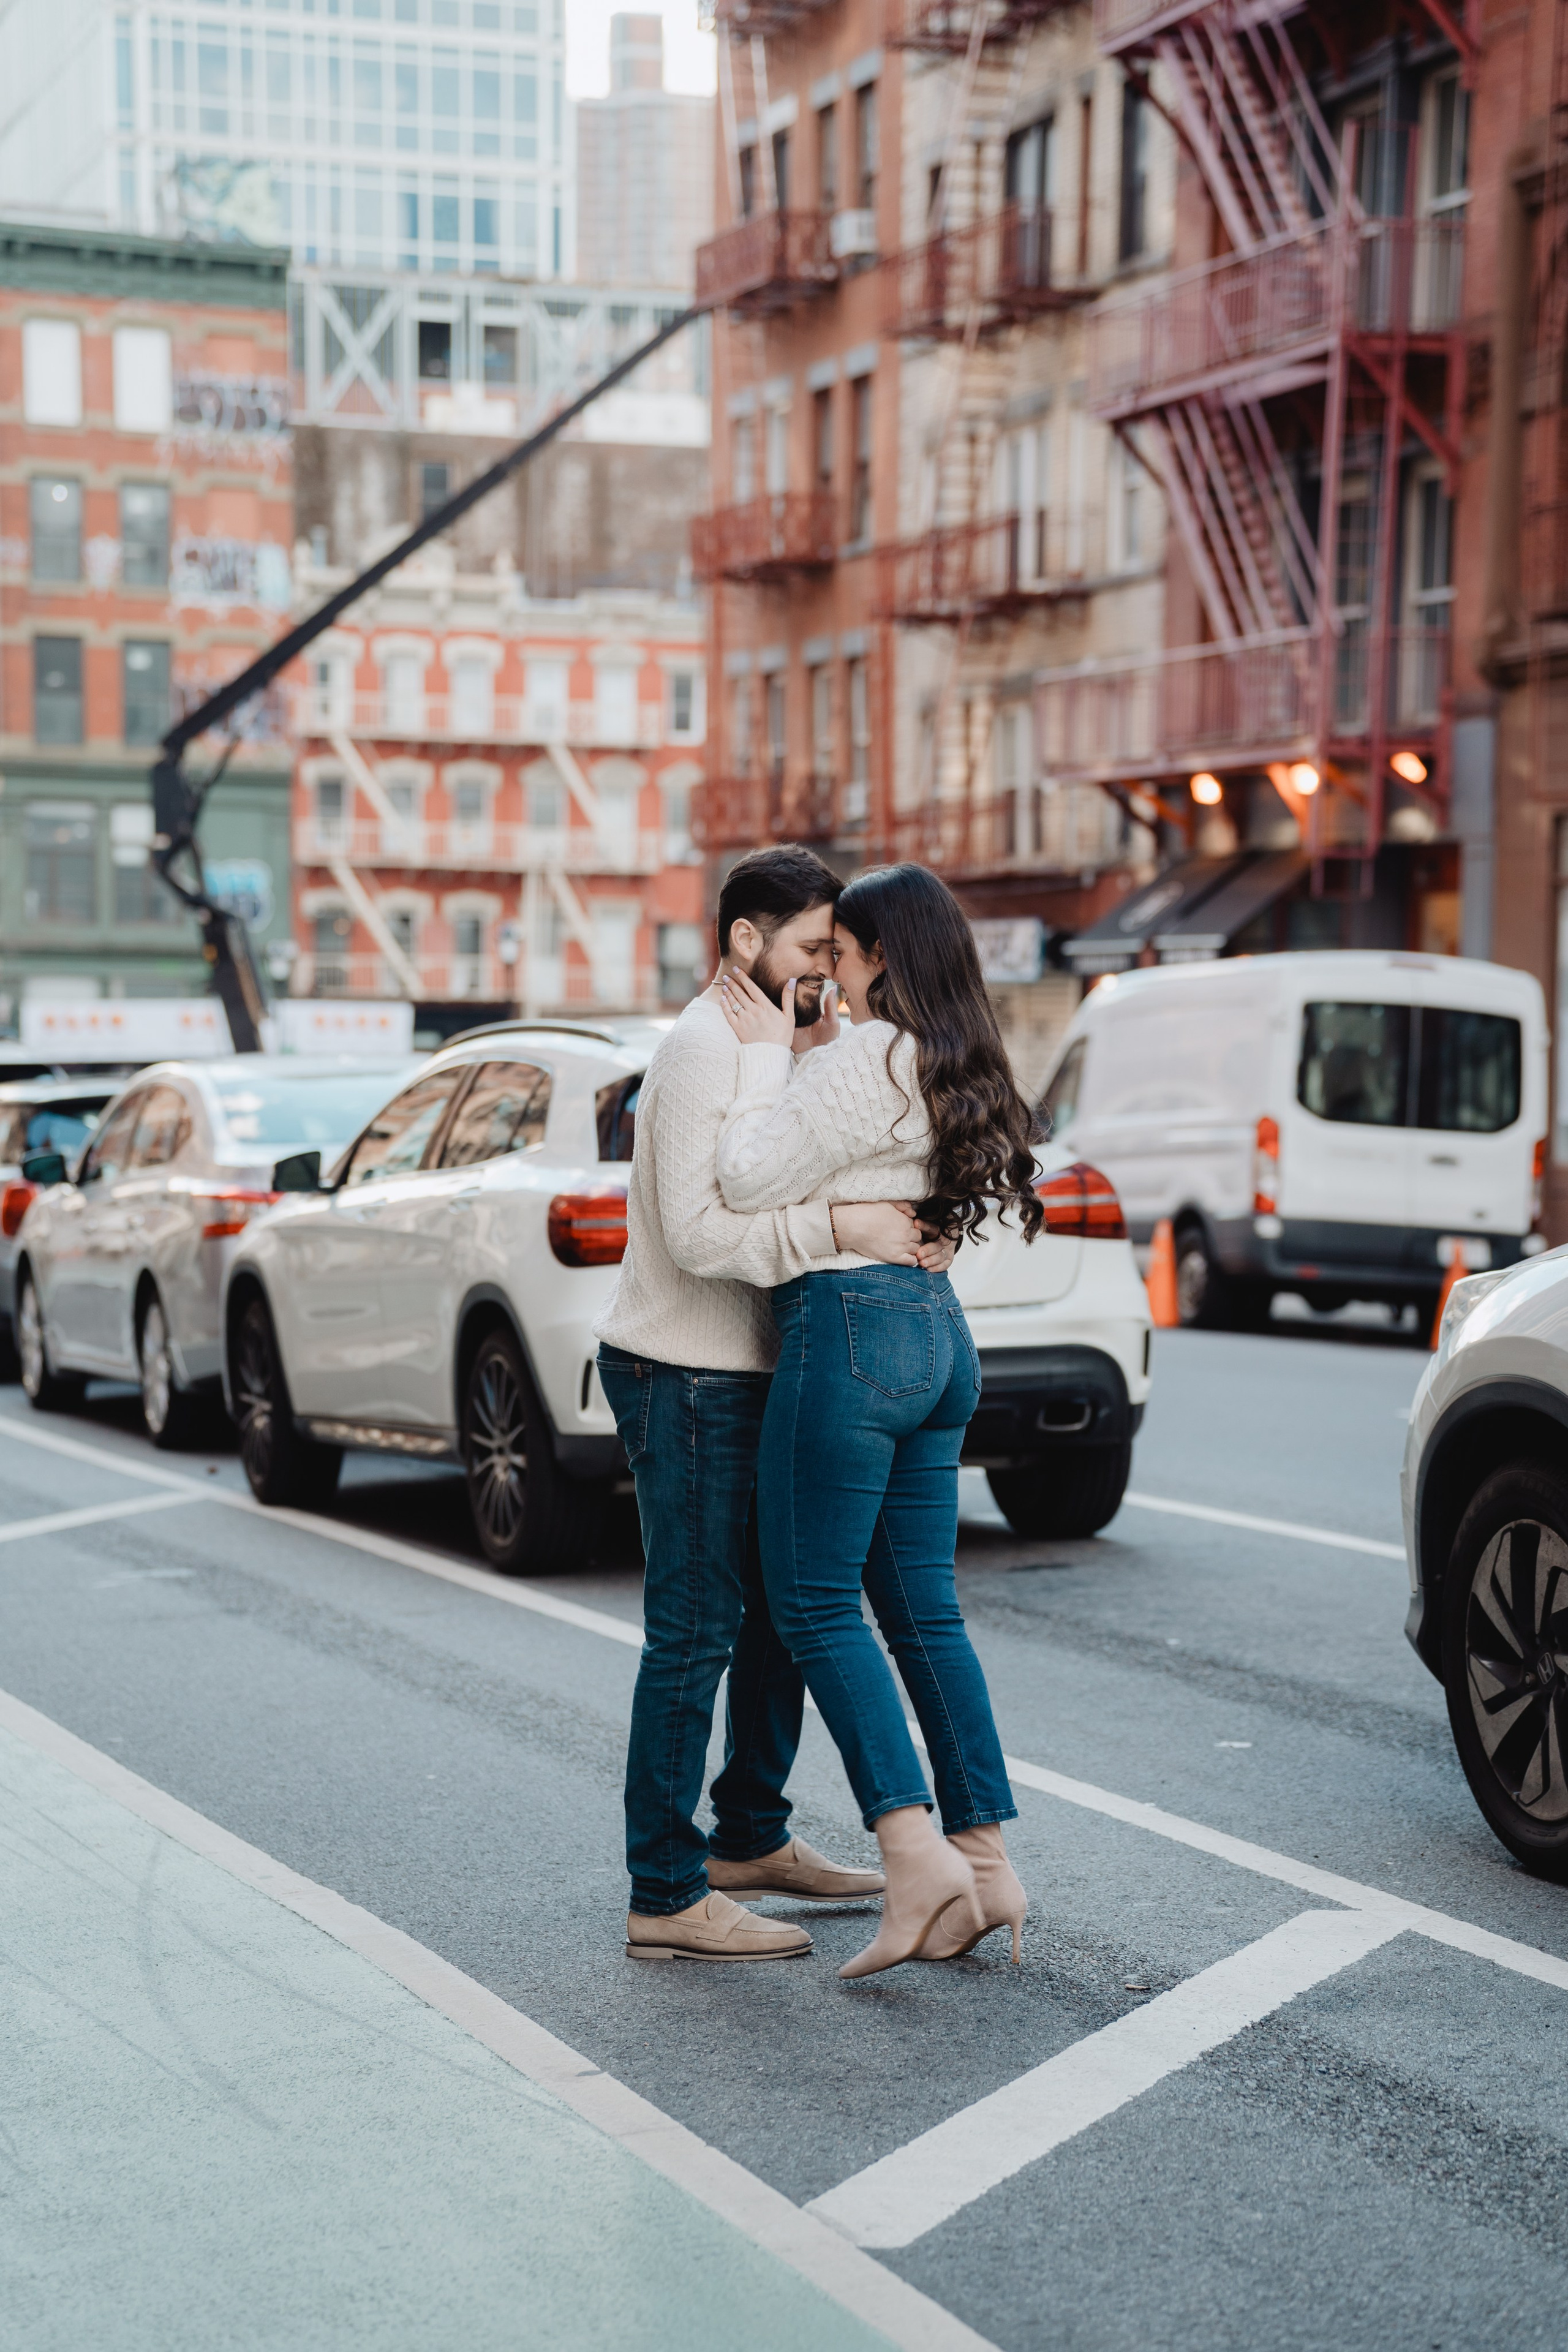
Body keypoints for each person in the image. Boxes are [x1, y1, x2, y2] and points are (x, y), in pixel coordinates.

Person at [594, 844, 954, 1963]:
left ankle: (750, 1833)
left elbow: (818, 1150)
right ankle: (665, 1887)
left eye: (836, 952)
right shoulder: (706, 1048)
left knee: (787, 1618)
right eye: (811, 948)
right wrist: (841, 1232)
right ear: (746, 941)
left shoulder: (793, 1041)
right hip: (684, 1369)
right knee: (695, 1630)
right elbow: (706, 1235)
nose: (827, 972)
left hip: (762, 1369)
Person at [715, 862, 1040, 1979]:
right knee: (923, 1612)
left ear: (884, 954)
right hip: (936, 1337)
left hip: (848, 1330)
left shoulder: (863, 1055)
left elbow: (745, 1175)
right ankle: (985, 1864)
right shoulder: (955, 1055)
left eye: (842, 956)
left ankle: (912, 1859)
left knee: (812, 1601)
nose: (831, 979)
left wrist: (774, 1058)